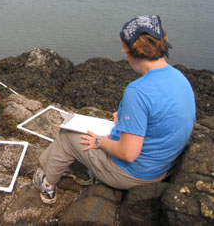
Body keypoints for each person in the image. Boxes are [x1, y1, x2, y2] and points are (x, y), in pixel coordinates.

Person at [33, 15, 196, 204]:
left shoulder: (138, 91)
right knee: (79, 136)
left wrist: (100, 141)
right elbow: (164, 119)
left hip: (135, 174)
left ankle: (47, 185)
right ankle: (62, 167)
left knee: (68, 134)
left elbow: (128, 153)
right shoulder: (179, 78)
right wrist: (126, 121)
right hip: (162, 166)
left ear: (131, 52)